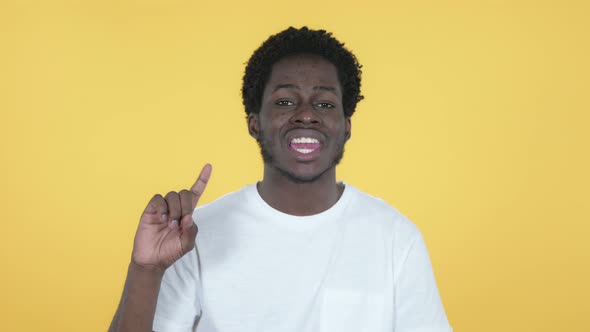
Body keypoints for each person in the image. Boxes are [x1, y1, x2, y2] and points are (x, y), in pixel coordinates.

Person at [109, 26, 452, 332]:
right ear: (254, 122)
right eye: (285, 101)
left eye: (326, 104)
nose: (306, 114)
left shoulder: (394, 238)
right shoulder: (194, 236)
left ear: (347, 126)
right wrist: (146, 270)